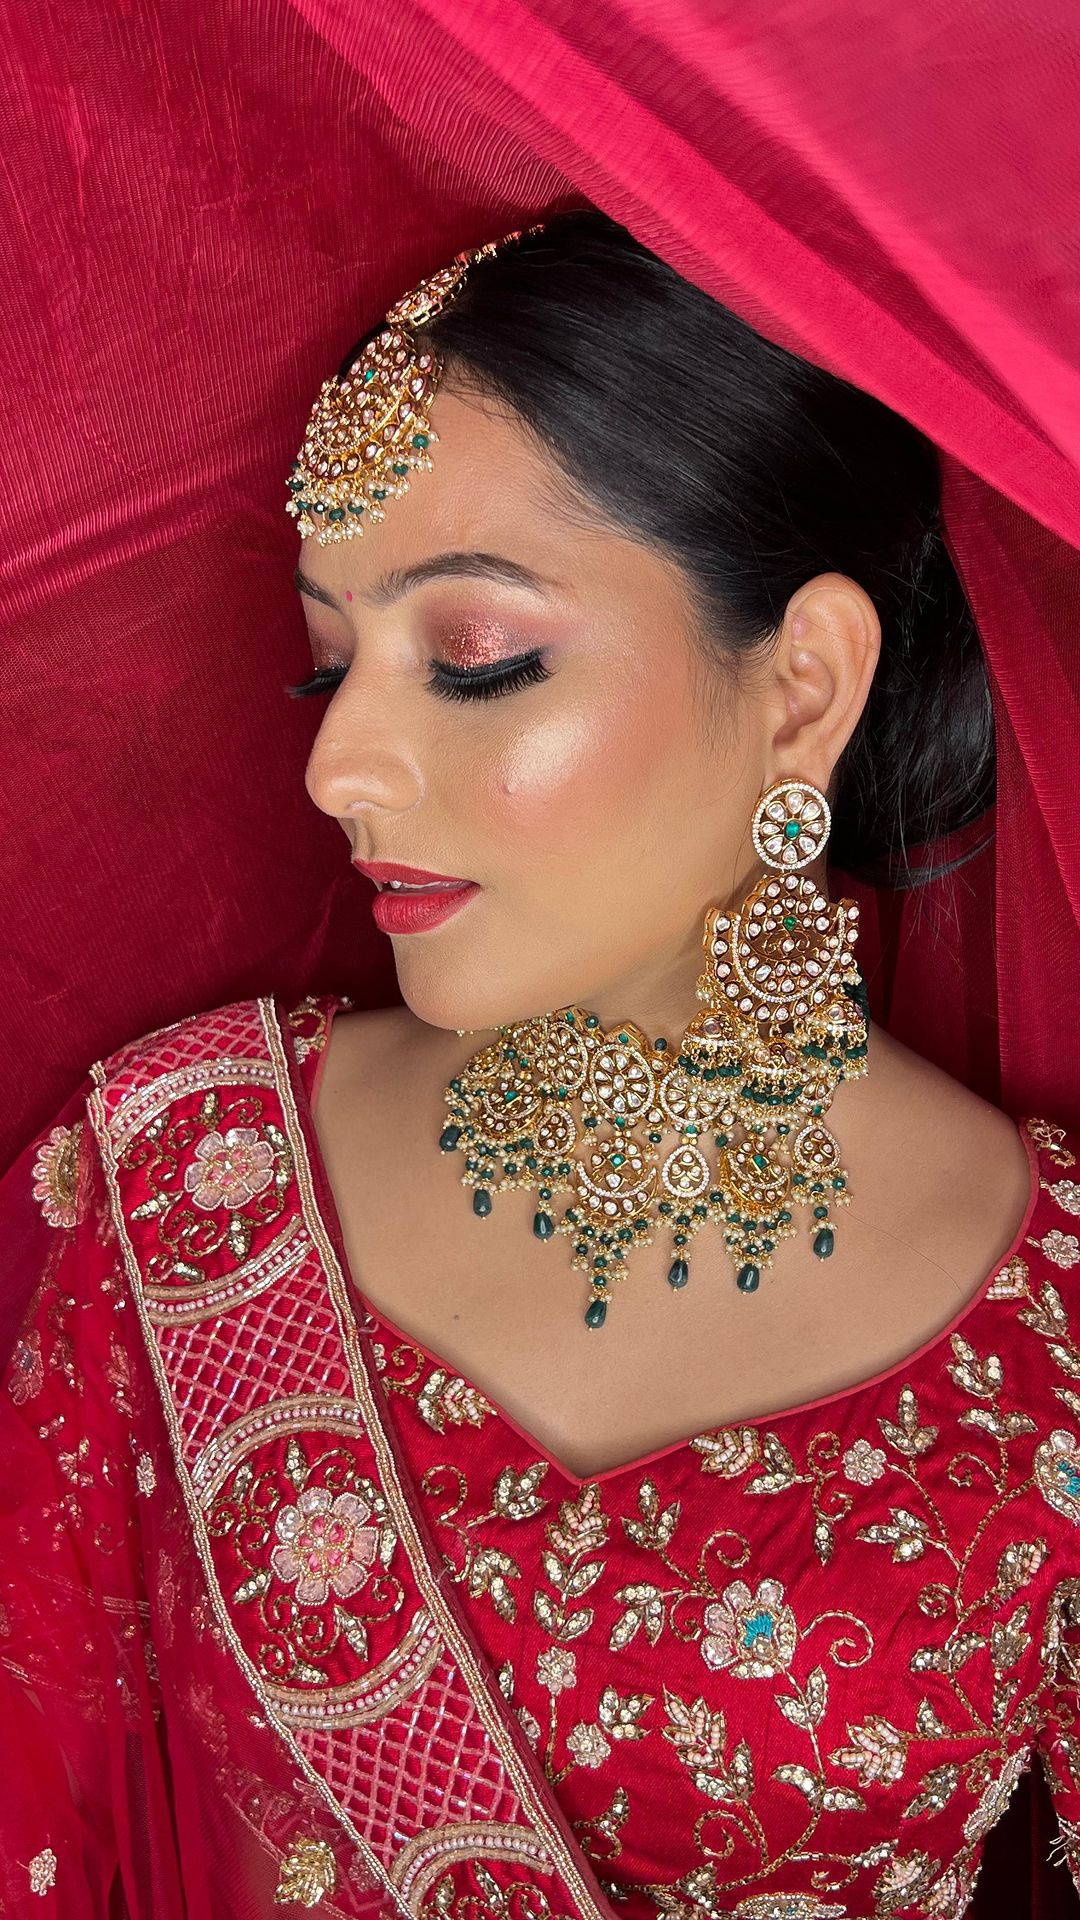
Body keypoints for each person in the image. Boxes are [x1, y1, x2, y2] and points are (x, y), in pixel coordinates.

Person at [2, 208, 1078, 1919]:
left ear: (804, 688)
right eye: (328, 668)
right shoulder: (189, 1173)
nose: (340, 768)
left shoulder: (1057, 1324)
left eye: (474, 658)